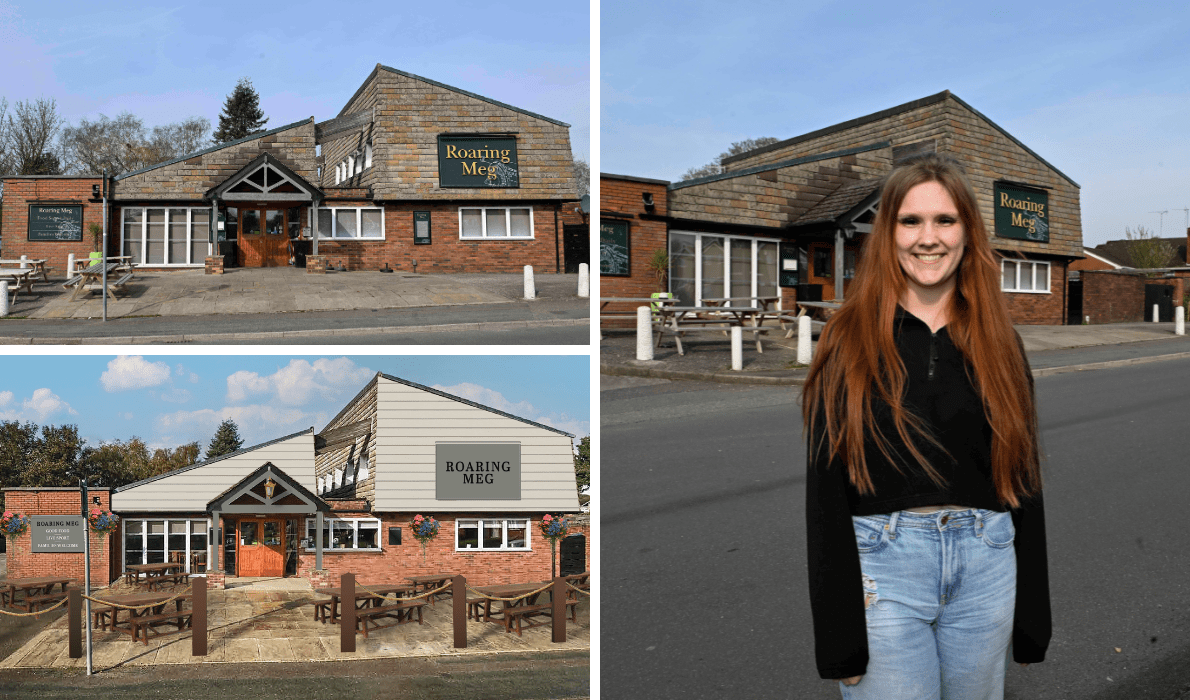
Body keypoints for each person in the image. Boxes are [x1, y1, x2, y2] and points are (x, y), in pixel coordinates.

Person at [801, 154, 1051, 699]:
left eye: (945, 220)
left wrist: (1034, 618)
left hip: (988, 563)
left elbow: (1022, 476)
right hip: (883, 569)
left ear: (968, 233)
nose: (927, 238)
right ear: (888, 232)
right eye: (910, 221)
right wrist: (838, 639)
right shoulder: (847, 339)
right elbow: (825, 490)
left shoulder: (1001, 342)